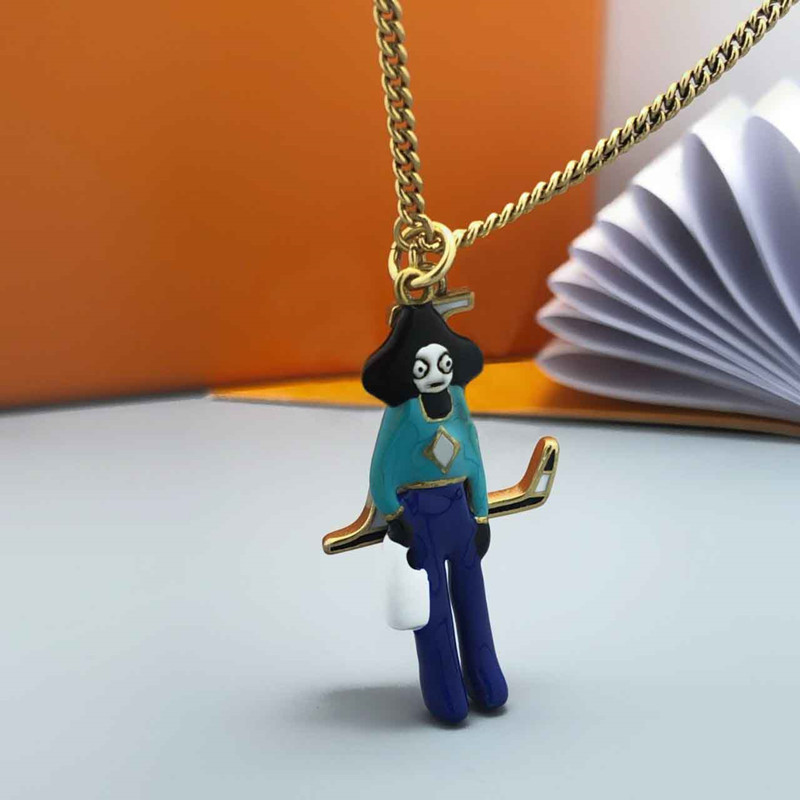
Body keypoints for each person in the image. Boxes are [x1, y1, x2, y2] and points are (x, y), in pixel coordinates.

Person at [362, 302, 508, 724]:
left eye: (442, 363)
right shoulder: (402, 413)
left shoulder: (458, 402)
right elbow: (381, 471)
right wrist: (394, 517)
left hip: (459, 513)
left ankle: (486, 678)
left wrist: (481, 516)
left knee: (474, 600)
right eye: (422, 367)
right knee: (433, 608)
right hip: (420, 518)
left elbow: (474, 460)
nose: (436, 374)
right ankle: (445, 691)